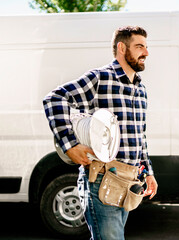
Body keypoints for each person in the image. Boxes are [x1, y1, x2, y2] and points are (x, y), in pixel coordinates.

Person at [43, 26, 158, 240]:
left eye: (146, 47)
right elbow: (54, 99)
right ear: (122, 48)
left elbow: (139, 137)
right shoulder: (100, 78)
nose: (146, 53)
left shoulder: (140, 90)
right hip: (101, 179)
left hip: (129, 181)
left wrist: (148, 172)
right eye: (139, 46)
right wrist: (70, 145)